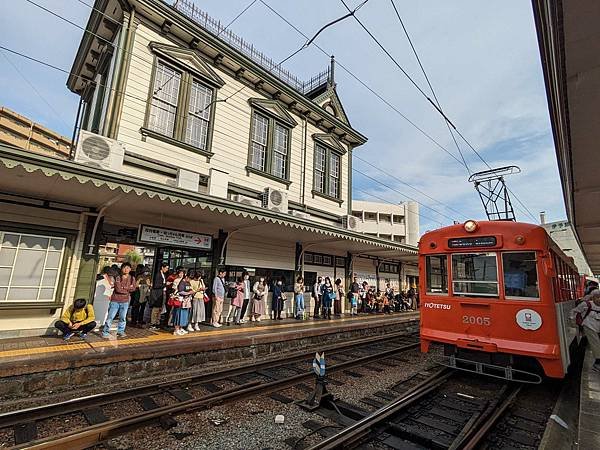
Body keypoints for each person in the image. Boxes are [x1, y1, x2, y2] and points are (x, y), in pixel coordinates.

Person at [102, 262, 137, 338]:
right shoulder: (118, 277)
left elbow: (133, 288)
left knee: (123, 317)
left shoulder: (132, 278)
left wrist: (124, 288)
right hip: (115, 300)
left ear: (130, 269)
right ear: (121, 269)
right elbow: (118, 289)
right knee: (110, 317)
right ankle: (105, 331)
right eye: (124, 267)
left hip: (125, 301)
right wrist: (127, 288)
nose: (126, 269)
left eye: (128, 268)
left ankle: (120, 331)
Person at [571, 290, 600, 372]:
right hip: (589, 326)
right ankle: (597, 363)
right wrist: (573, 322)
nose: (599, 299)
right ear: (593, 297)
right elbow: (574, 311)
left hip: (597, 327)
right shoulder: (586, 304)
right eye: (597, 297)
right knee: (596, 344)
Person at [148, 263, 169, 331]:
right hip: (157, 294)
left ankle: (157, 322)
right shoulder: (158, 275)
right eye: (166, 268)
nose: (167, 269)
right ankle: (153, 324)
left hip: (162, 293)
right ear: (162, 267)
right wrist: (165, 284)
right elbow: (156, 285)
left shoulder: (164, 275)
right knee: (156, 309)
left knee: (160, 309)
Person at [93, 266, 114, 331]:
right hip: (105, 298)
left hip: (98, 298)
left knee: (99, 310)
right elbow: (112, 286)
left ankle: (99, 322)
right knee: (104, 311)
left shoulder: (97, 276)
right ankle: (102, 323)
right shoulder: (109, 278)